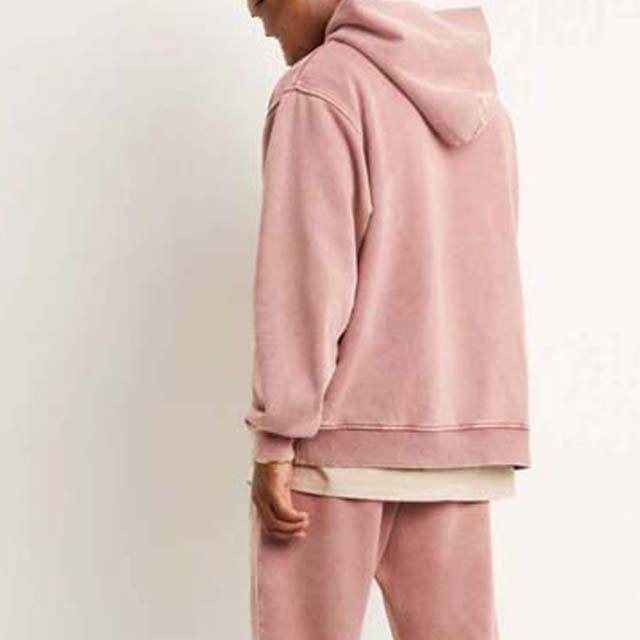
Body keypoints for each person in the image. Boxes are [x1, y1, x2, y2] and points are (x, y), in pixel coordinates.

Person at [243, 0, 531, 638]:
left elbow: (303, 281)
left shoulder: (320, 90)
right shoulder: (483, 101)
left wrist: (276, 439)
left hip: (338, 441)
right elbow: (489, 267)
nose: (254, 14)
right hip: (456, 437)